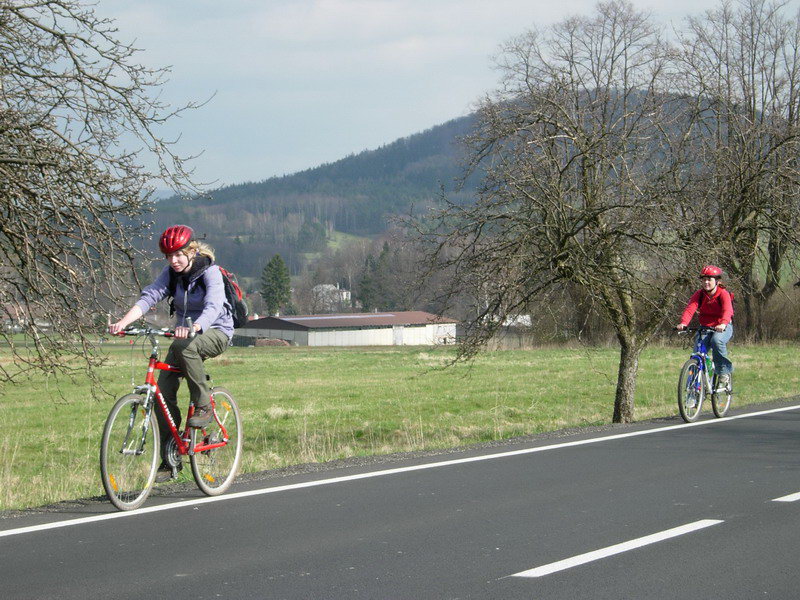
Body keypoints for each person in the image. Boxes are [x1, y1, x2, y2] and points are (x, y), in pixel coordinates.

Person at [109, 225, 233, 481]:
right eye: (168, 256)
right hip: (185, 337)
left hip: (216, 331)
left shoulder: (210, 273)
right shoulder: (171, 274)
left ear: (191, 251)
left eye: (178, 254)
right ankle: (171, 454)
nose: (173, 261)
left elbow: (213, 306)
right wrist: (124, 322)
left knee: (182, 346)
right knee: (162, 393)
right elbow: (149, 297)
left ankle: (203, 405)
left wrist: (196, 327)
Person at [676, 265, 734, 388]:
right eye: (704, 280)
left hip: (723, 326)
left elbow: (727, 310)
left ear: (717, 281)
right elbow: (690, 309)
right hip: (705, 327)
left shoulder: (723, 294)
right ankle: (693, 391)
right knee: (697, 354)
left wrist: (723, 323)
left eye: (709, 279)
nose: (706, 282)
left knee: (717, 341)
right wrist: (684, 323)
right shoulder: (700, 294)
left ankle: (724, 372)